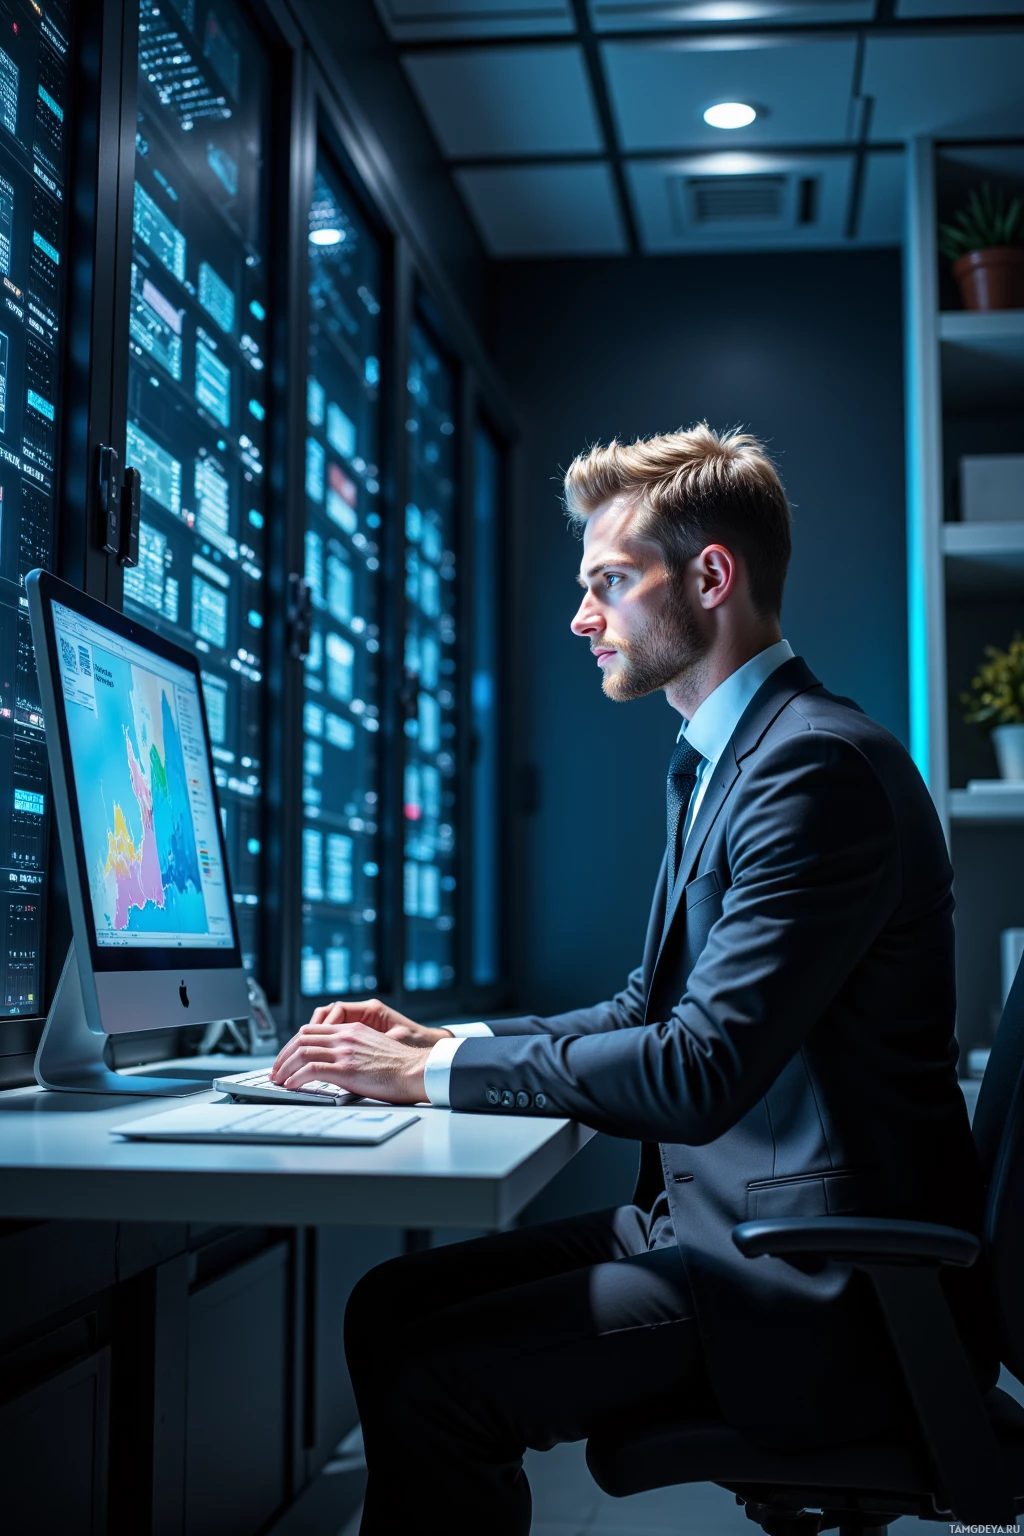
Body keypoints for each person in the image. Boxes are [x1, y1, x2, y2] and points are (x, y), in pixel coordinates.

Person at [271, 424, 997, 1535]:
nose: (581, 617)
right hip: (717, 1231)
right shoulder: (728, 758)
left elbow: (700, 1067)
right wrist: (434, 1046)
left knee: (434, 1370)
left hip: (814, 1286)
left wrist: (439, 1077)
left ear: (710, 577)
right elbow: (645, 1011)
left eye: (610, 582)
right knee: (390, 1306)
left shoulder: (812, 767)